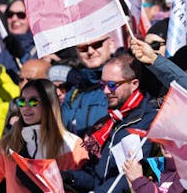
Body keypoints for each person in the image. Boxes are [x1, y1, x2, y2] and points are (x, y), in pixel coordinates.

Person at [64, 54, 158, 192]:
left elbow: (128, 178)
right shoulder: (109, 120)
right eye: (102, 85)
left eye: (112, 85)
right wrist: (67, 177)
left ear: (134, 84)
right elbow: (96, 177)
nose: (106, 91)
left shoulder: (148, 120)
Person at [61, 34, 118, 136]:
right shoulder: (74, 89)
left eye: (97, 44)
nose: (90, 51)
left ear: (111, 44)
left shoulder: (125, 79)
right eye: (83, 48)